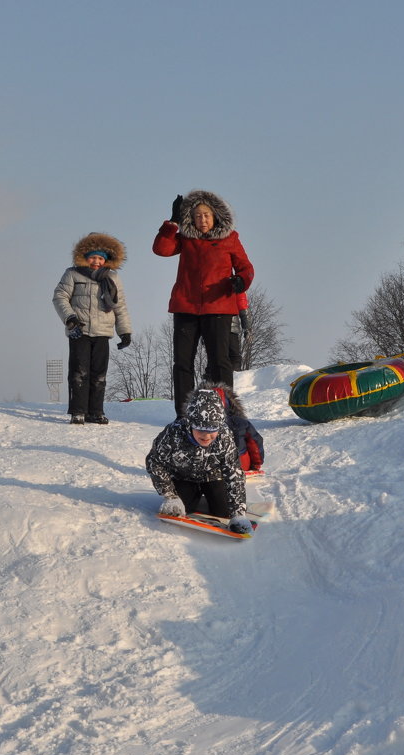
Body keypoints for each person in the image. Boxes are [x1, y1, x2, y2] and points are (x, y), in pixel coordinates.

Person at [153, 189, 255, 417]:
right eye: (198, 216)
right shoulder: (186, 238)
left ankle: (223, 411)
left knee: (220, 362)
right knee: (182, 363)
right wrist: (172, 223)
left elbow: (246, 268)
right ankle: (184, 414)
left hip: (218, 308)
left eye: (207, 215)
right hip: (185, 307)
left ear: (216, 215)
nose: (203, 220)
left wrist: (241, 281)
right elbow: (161, 249)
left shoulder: (230, 238)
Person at [146, 388, 252, 535]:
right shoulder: (173, 434)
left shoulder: (224, 436)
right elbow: (154, 461)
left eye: (212, 429)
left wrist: (238, 513)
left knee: (223, 511)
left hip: (212, 475)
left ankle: (212, 495)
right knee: (182, 509)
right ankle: (191, 494)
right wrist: (170, 495)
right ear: (190, 423)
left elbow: (233, 471)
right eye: (201, 429)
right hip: (183, 476)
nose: (207, 436)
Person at [52, 232, 133, 424]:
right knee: (80, 372)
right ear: (84, 256)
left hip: (103, 332)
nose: (96, 262)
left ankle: (96, 411)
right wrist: (70, 318)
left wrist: (125, 331)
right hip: (79, 330)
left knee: (99, 374)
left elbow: (120, 306)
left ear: (106, 260)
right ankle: (78, 411)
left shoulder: (112, 278)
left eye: (100, 258)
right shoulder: (72, 274)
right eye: (93, 257)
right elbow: (60, 297)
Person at [202, 381, 264, 473]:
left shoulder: (197, 425)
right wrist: (256, 464)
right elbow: (255, 442)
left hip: (209, 467)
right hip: (241, 464)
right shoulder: (239, 422)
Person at [228, 293, 251, 372]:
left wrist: (247, 328)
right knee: (214, 356)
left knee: (234, 356)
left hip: (231, 327)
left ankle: (236, 378)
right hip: (216, 326)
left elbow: (243, 308)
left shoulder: (236, 284)